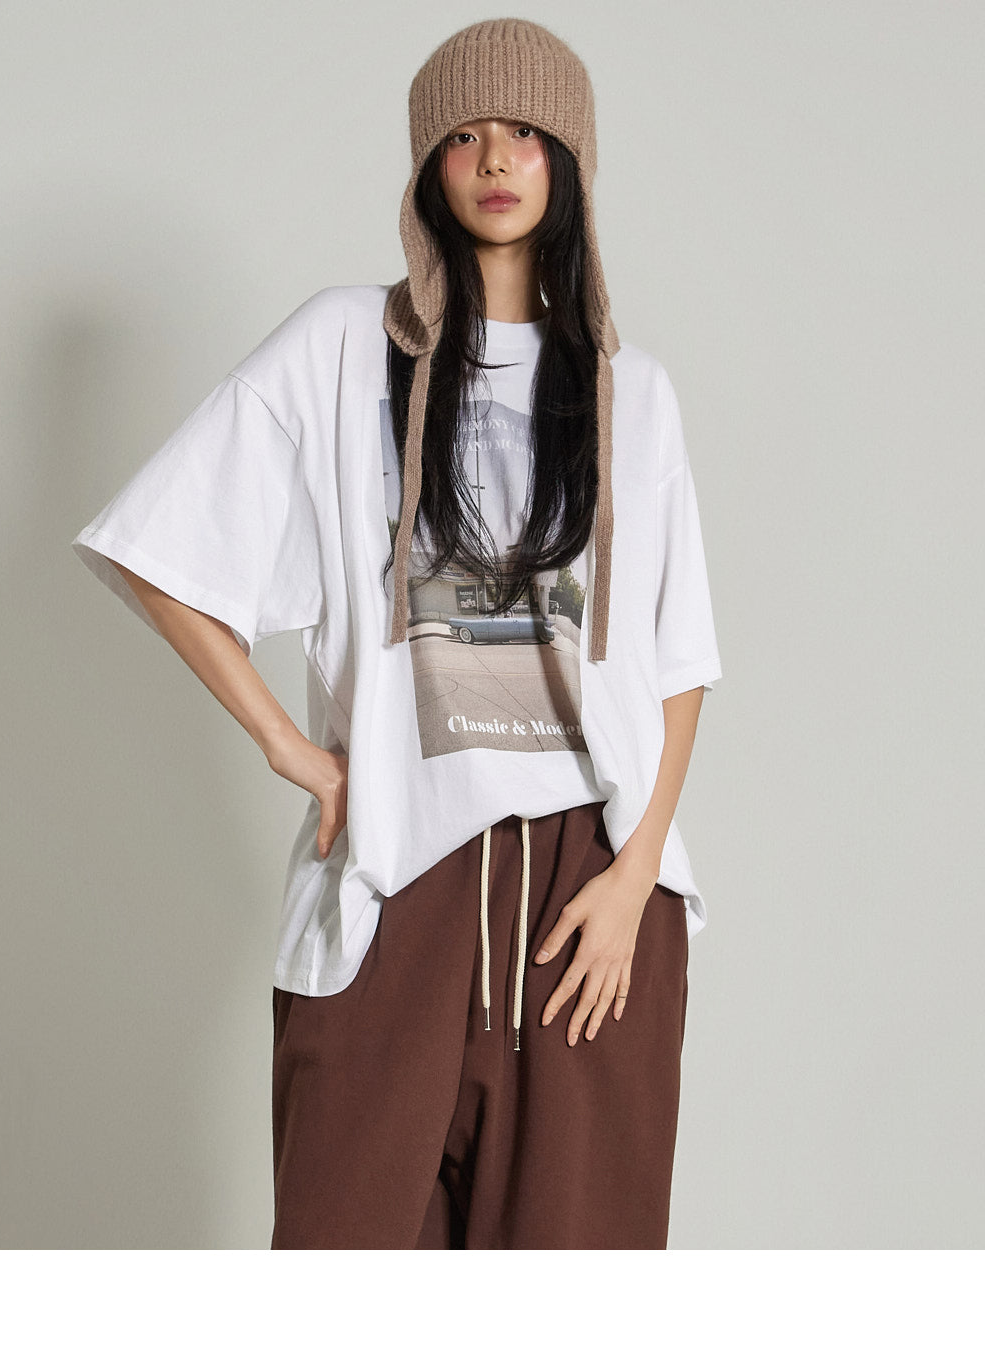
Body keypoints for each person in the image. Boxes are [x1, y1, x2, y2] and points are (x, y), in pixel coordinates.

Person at [71, 17, 723, 1249]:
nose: (495, 157)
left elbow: (678, 666)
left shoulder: (633, 395)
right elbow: (160, 548)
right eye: (463, 135)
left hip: (590, 897)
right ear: (427, 167)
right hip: (397, 881)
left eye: (524, 132)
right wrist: (293, 750)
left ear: (569, 159)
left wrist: (636, 878)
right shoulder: (340, 347)